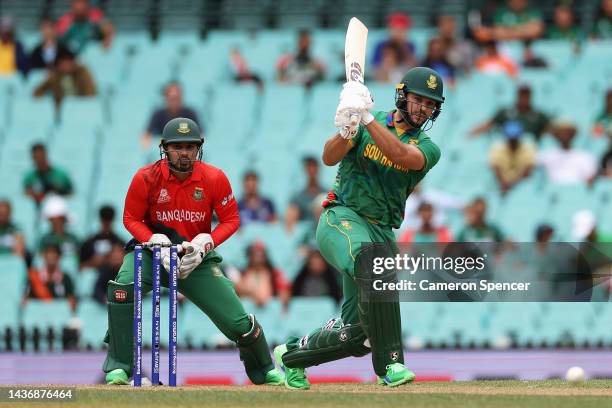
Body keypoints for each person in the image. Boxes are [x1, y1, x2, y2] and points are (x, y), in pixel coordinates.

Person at [274, 67, 445, 389]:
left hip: (381, 231)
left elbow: (400, 154)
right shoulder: (367, 120)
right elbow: (328, 157)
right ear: (402, 95)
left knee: (360, 335)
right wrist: (348, 130)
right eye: (418, 99)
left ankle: (291, 355)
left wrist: (365, 118)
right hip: (343, 218)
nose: (423, 108)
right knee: (373, 262)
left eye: (430, 104)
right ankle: (391, 366)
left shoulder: (428, 147)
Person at [103, 117, 283, 386]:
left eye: (190, 146)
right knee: (122, 288)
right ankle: (119, 366)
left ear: (198, 148)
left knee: (237, 323)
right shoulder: (146, 178)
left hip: (194, 259)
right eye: (177, 147)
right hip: (153, 255)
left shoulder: (214, 178)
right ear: (164, 148)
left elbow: (231, 219)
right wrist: (153, 239)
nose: (184, 153)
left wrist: (205, 243)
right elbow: (130, 218)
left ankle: (264, 368)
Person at [469, 84, 550, 141]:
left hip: (529, 151)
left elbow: (549, 129)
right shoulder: (505, 112)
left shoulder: (538, 115)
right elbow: (489, 124)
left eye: (526, 95)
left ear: (530, 96)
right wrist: (471, 134)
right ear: (517, 95)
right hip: (508, 147)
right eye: (521, 94)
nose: (524, 98)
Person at [79, 205, 125, 303]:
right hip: (98, 278)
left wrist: (112, 261)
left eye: (108, 220)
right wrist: (93, 262)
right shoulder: (88, 243)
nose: (106, 223)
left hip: (114, 276)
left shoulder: (119, 243)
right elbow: (80, 268)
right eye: (105, 220)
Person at [141, 82, 201, 149]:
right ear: (166, 98)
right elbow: (147, 135)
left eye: (177, 98)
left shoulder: (190, 113)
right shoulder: (158, 114)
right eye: (172, 99)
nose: (174, 102)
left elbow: (200, 134)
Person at [537, 119, 597, 185]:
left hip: (578, 192)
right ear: (556, 135)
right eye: (561, 132)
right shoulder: (545, 155)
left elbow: (591, 177)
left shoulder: (585, 156)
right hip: (552, 192)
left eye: (568, 132)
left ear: (573, 135)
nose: (564, 135)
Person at [234, 241, 291, 307]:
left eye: (261, 253)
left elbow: (284, 294)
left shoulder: (274, 274)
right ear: (250, 256)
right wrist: (252, 293)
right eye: (255, 253)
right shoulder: (242, 273)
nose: (258, 256)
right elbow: (237, 289)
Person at [23, 244, 77, 312]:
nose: (51, 258)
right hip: (38, 313)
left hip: (59, 314)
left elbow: (71, 300)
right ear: (44, 257)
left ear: (59, 257)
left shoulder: (66, 277)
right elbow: (26, 299)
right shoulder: (34, 277)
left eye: (54, 255)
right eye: (49, 255)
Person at [33, 49, 97, 106]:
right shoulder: (55, 76)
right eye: (63, 63)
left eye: (69, 62)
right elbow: (37, 93)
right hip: (61, 110)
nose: (66, 65)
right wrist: (50, 79)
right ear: (58, 64)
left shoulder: (82, 72)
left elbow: (91, 93)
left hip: (81, 107)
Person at [489, 121, 536, 194]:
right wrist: (503, 183)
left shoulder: (528, 148)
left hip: (521, 186)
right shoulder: (497, 148)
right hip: (500, 184)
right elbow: (495, 169)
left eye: (515, 139)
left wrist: (513, 184)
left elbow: (528, 171)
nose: (513, 141)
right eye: (511, 139)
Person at [473, 0, 544, 42]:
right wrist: (524, 31)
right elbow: (498, 32)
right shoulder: (501, 12)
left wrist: (507, 32)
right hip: (505, 51)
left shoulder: (533, 12)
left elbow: (535, 31)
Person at [289, 156, 325, 222]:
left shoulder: (327, 194)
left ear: (318, 169)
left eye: (314, 166)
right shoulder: (298, 197)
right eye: (309, 167)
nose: (311, 170)